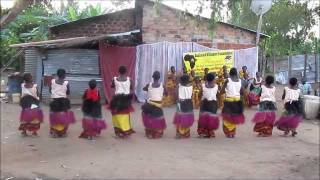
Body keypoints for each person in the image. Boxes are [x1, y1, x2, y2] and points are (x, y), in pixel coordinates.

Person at [49, 69, 76, 138]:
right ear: (64, 75)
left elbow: (50, 90)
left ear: (57, 74)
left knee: (54, 116)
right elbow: (68, 92)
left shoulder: (52, 81)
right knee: (64, 117)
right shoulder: (66, 83)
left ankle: (54, 132)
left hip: (55, 102)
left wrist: (55, 93)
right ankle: (63, 132)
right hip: (64, 102)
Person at [110, 66, 135, 138]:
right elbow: (132, 88)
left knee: (116, 115)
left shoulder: (114, 79)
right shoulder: (129, 79)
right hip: (126, 99)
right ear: (125, 71)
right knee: (126, 115)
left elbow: (111, 86)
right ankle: (126, 131)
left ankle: (119, 132)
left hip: (117, 100)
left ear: (119, 71)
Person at [221, 67, 245, 138]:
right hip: (237, 100)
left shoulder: (227, 80)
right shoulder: (240, 81)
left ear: (230, 73)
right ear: (236, 73)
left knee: (227, 117)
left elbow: (222, 91)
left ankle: (228, 133)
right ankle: (232, 133)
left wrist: (224, 90)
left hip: (229, 100)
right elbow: (243, 92)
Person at [141, 71, 167, 139]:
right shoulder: (162, 85)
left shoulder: (149, 85)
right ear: (159, 78)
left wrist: (149, 90)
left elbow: (143, 89)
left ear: (153, 77)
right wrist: (161, 93)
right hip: (158, 105)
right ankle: (156, 131)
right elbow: (166, 93)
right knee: (158, 117)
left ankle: (149, 131)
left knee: (145, 114)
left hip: (149, 105)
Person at [197, 73, 219, 138]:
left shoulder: (203, 86)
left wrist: (200, 100)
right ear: (213, 80)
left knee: (203, 118)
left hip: (204, 103)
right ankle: (210, 132)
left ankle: (202, 132)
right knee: (211, 118)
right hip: (213, 104)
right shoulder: (216, 86)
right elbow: (218, 95)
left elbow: (199, 94)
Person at [173, 74, 194, 138]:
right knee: (187, 117)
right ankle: (186, 133)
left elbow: (176, 95)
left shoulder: (179, 86)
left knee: (180, 118)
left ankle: (179, 133)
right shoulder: (191, 86)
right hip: (189, 102)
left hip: (181, 102)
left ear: (181, 81)